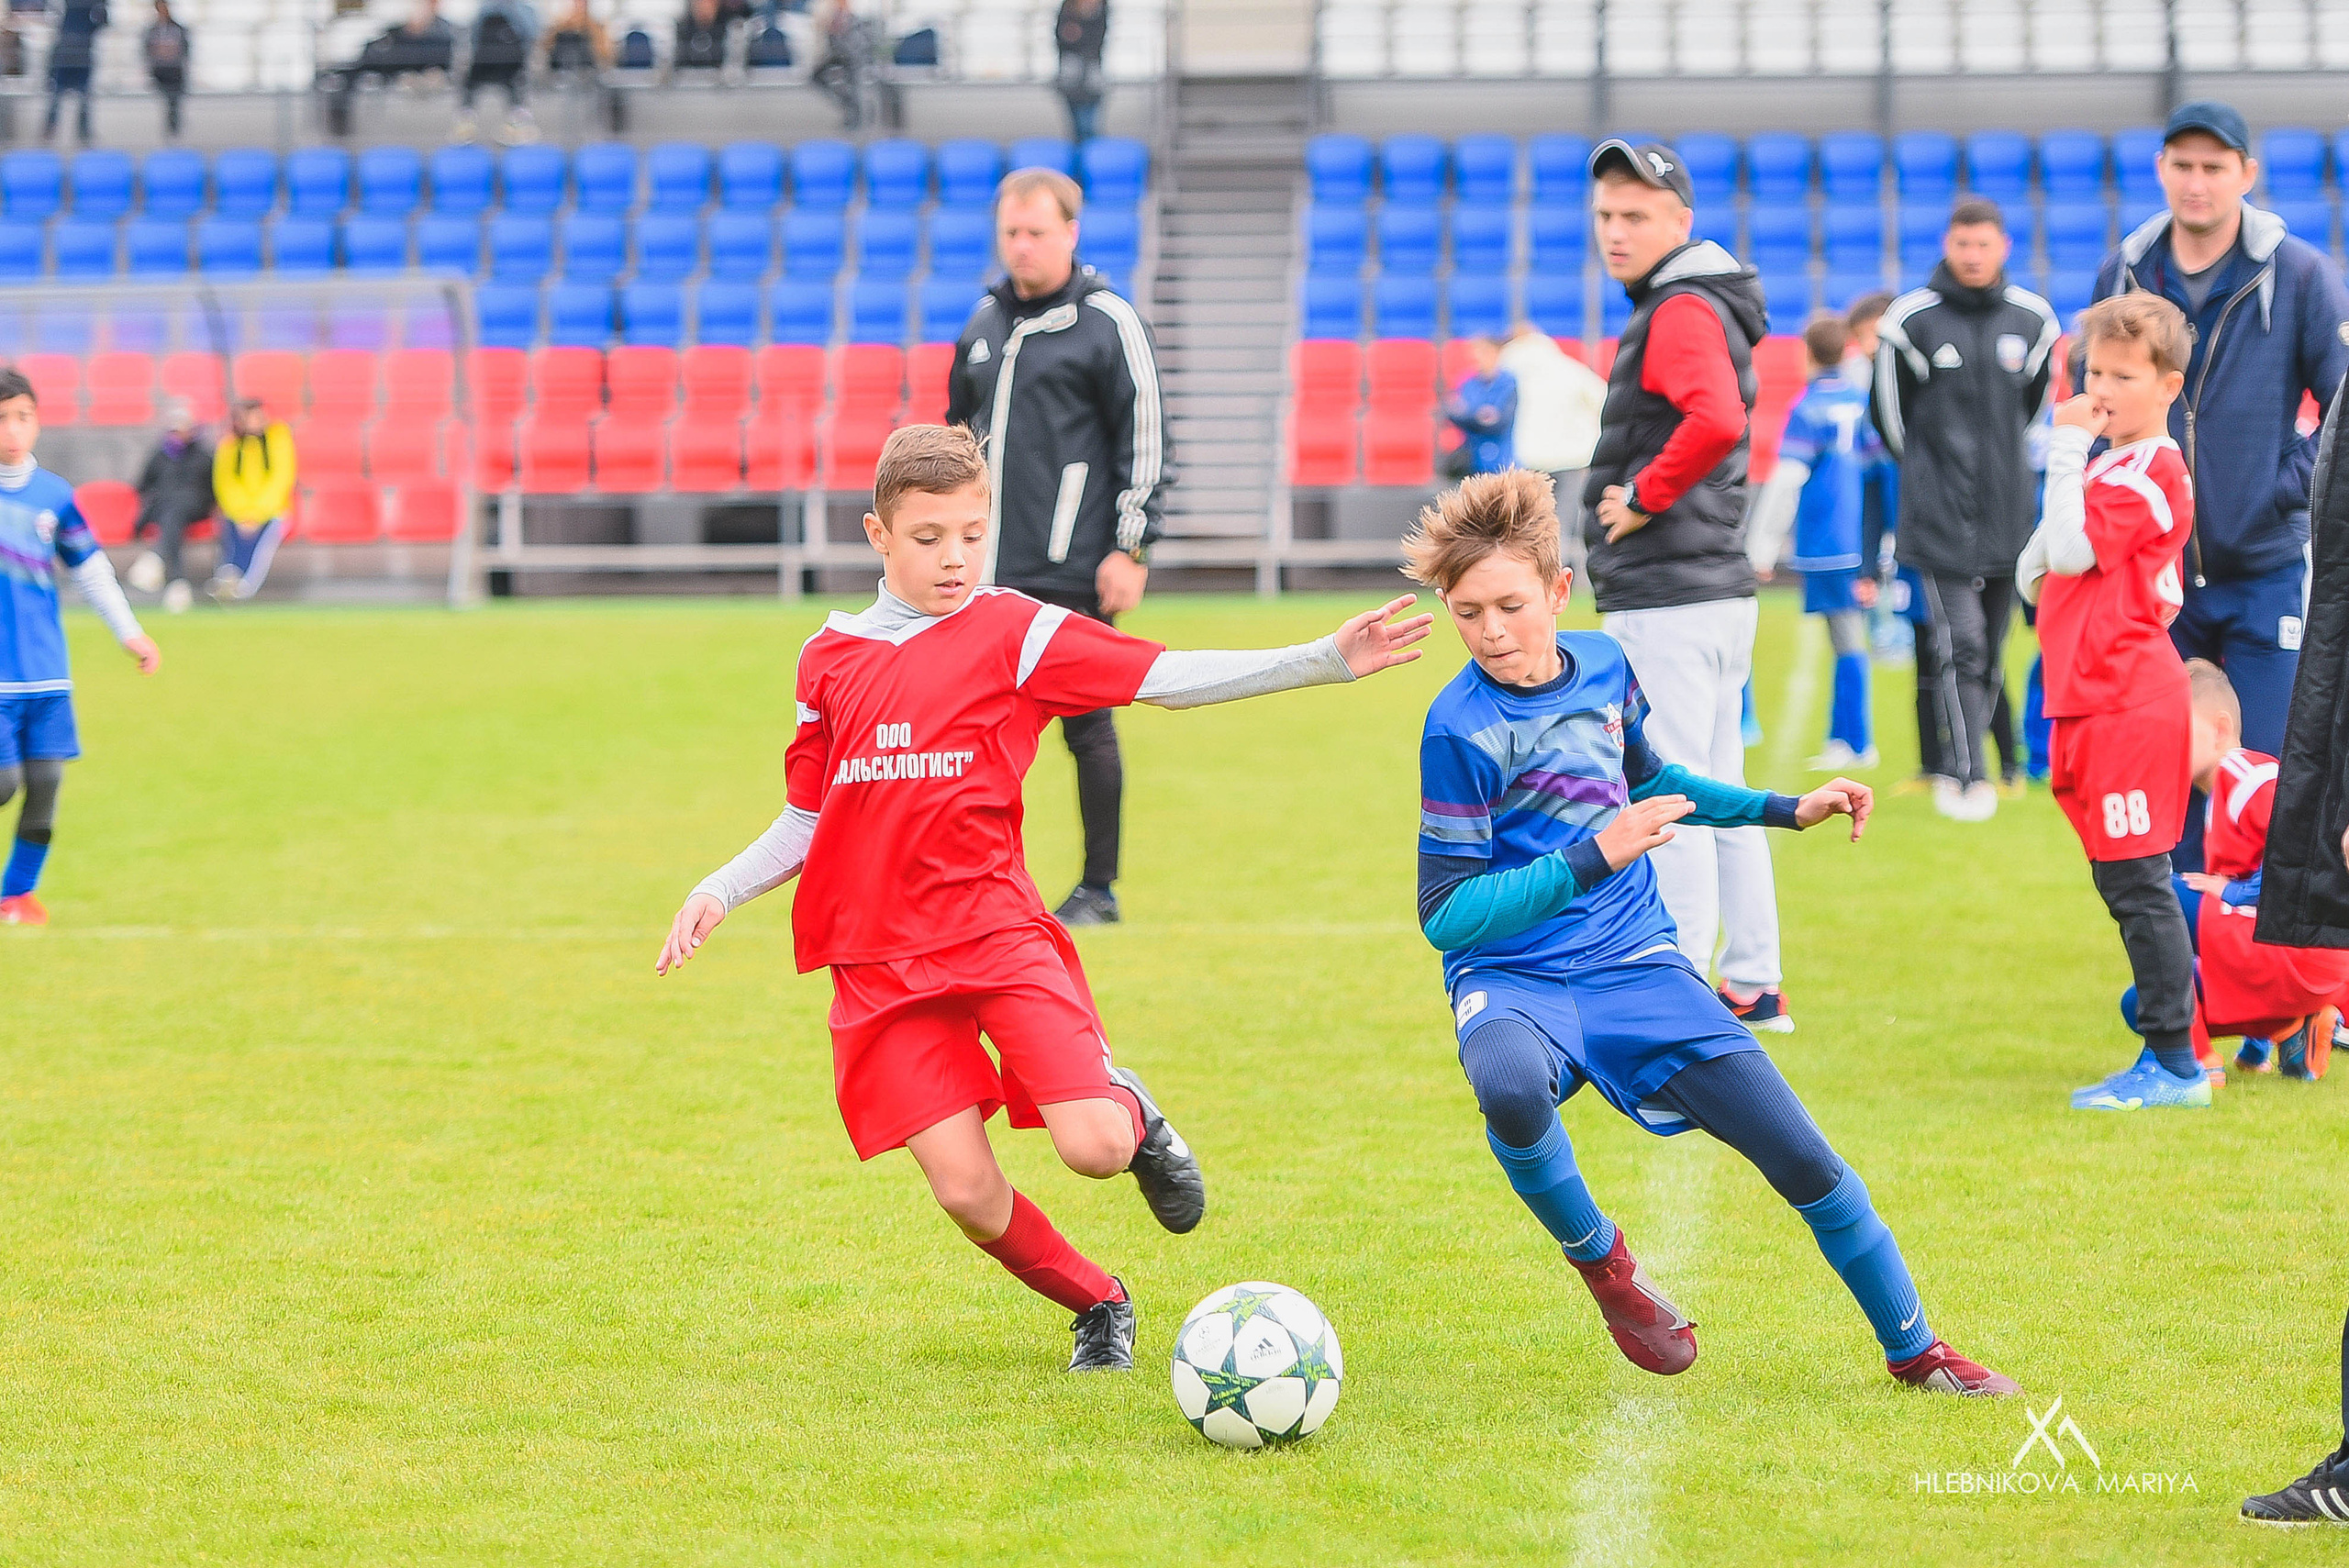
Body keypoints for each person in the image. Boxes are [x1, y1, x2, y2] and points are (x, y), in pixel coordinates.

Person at [654, 424, 1431, 1372]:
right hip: (879, 962)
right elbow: (808, 817)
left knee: (1094, 1147)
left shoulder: (1014, 631)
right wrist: (718, 888)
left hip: (993, 934)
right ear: (878, 534)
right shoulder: (828, 658)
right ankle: (1100, 1301)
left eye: (972, 534)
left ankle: (1129, 1108)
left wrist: (1321, 656)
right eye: (929, 536)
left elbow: (1163, 678)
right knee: (965, 1192)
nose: (955, 557)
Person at [1405, 468, 2016, 1396]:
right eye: (1468, 613)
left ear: (1560, 591)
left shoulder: (1605, 667)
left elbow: (1653, 781)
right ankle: (1605, 1266)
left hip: (1634, 962)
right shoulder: (1456, 726)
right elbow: (1445, 913)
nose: (1491, 630)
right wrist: (1591, 856)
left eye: (1510, 606)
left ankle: (1917, 1348)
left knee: (1801, 1153)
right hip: (1513, 975)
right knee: (1508, 1084)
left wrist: (1785, 807)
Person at [2089, 100, 2349, 873]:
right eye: (2183, 165)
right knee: (2163, 782)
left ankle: (2266, 943)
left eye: (2214, 166)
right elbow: (2094, 405)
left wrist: (2284, 489)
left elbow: (2344, 404)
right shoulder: (2126, 273)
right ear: (2161, 170)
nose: (2197, 182)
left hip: (2264, 569)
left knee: (2265, 777)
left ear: (2246, 174)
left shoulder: (2299, 274)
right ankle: (2184, 945)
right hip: (2154, 576)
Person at [1578, 139, 1787, 1032]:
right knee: (1719, 790)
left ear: (1680, 223)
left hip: (1669, 591)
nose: (1615, 232)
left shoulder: (1678, 306)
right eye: (1604, 215)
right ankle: (1751, 980)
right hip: (1708, 589)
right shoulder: (1697, 300)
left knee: (1668, 794)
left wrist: (1642, 497)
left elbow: (1716, 417)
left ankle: (1686, 989)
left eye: (1635, 215)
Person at [944, 167, 1170, 929]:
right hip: (982, 571)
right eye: (1011, 232)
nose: (1023, 246)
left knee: (1087, 725)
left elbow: (1145, 439)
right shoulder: (983, 325)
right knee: (966, 732)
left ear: (1070, 233)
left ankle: (1097, 889)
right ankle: (971, 884)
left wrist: (1130, 547)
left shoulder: (1108, 321)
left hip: (1073, 564)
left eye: (1037, 232)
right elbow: (954, 443)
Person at [2014, 294, 2202, 1110]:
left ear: (2168, 385)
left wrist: (2065, 446)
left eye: (2125, 376)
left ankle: (2177, 1061)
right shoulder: (2108, 466)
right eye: (2096, 372)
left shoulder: (2155, 471)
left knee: (2138, 878)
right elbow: (2036, 567)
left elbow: (2069, 550)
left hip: (2127, 696)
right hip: (2086, 694)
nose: (2104, 389)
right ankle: (2177, 1027)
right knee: (2119, 876)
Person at [1875, 198, 2059, 823]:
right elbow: (1891, 420)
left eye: (1983, 245)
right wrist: (1932, 478)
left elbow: (2031, 413)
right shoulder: (1910, 320)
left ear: (2003, 247)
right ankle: (1966, 774)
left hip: (2009, 516)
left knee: (1993, 649)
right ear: (1947, 246)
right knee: (1963, 646)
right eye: (1962, 245)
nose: (1973, 256)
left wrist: (2001, 473)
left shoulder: (2033, 319)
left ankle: (1974, 766)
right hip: (1937, 517)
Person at [0, 367, 161, 929]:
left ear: (38, 422)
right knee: (4, 784)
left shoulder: (55, 497)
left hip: (46, 674)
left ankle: (16, 897)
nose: (13, 430)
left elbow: (90, 571)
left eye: (23, 417)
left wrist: (129, 632)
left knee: (45, 789)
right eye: (2, 418)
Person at [2139, 660, 2348, 1081]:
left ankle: (2194, 1065)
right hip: (2292, 962)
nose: (2162, 744)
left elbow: (2305, 846)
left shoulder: (2247, 775)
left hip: (2306, 952)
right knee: (2142, 1002)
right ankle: (2292, 1031)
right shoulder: (2220, 795)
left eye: (2175, 730)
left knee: (2158, 896)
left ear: (2220, 729)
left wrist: (2235, 893)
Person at [1745, 315, 1884, 771]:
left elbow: (1787, 479)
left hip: (1826, 541)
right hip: (1859, 538)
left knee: (1846, 639)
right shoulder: (1862, 402)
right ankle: (1850, 737)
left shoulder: (1807, 408)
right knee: (1849, 636)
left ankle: (1854, 741)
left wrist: (1763, 546)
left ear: (1806, 353)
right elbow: (1879, 471)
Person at [1498, 322, 1605, 592]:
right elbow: (1603, 399)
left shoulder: (1509, 366)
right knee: (1566, 524)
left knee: (1533, 526)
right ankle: (1569, 582)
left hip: (1530, 457)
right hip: (1574, 458)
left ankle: (1534, 582)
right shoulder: (1568, 368)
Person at [125, 398, 211, 615]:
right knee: (171, 519)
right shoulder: (160, 455)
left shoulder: (203, 456)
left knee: (174, 512)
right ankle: (177, 582)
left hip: (194, 507)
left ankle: (156, 559)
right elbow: (143, 485)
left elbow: (210, 489)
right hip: (166, 509)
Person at [325, 0, 454, 138]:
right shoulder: (395, 33)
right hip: (389, 74)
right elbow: (372, 55)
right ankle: (339, 129)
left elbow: (443, 63)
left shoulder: (443, 34)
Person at [210, 398, 295, 603]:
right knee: (231, 533)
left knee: (262, 541)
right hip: (237, 513)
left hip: (271, 511)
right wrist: (242, 513)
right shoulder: (230, 445)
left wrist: (257, 513)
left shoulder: (278, 440)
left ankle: (243, 586)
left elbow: (281, 479)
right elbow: (225, 483)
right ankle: (228, 575)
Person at [457, 0, 537, 143]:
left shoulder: (524, 10)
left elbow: (529, 38)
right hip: (484, 62)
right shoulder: (484, 9)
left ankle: (517, 123)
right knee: (468, 84)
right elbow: (474, 38)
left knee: (517, 86)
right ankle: (465, 123)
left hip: (512, 65)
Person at [1442, 335, 1516, 477]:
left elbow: (1501, 422)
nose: (1480, 359)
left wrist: (1471, 415)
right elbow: (1454, 414)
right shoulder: (1467, 383)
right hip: (1472, 460)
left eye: (1485, 353)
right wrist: (1480, 416)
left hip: (1502, 461)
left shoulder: (1508, 383)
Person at [40, 0, 104, 145]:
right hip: (67, 53)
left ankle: (83, 133)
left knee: (84, 97)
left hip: (81, 53)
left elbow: (103, 20)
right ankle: (50, 131)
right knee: (57, 95)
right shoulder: (73, 8)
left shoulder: (89, 7)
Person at [1052, 0, 1105, 144]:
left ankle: (1090, 153)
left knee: (1088, 127)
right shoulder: (1067, 10)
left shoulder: (1099, 13)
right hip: (1071, 81)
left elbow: (1094, 41)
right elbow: (1062, 38)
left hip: (1091, 83)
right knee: (1076, 129)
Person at [141, 0, 187, 139]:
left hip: (175, 71)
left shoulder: (179, 28)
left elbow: (185, 49)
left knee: (174, 99)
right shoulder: (152, 30)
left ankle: (174, 127)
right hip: (158, 72)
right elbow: (146, 50)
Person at [669, 0, 727, 72]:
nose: (705, 8)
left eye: (709, 4)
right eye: (701, 3)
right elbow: (677, 61)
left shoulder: (724, 30)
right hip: (687, 74)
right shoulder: (683, 29)